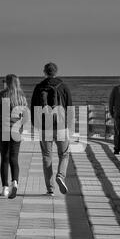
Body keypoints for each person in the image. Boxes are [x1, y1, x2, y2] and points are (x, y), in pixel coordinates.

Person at [30, 62, 73, 196]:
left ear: (44, 72)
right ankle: (60, 175)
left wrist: (35, 124)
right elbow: (70, 107)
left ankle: (50, 189)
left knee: (47, 157)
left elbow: (33, 108)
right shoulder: (64, 87)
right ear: (56, 71)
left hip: (45, 127)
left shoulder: (39, 87)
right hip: (61, 126)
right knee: (64, 154)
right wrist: (69, 125)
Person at [0, 74, 28, 199]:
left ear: (7, 83)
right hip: (16, 130)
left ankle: (5, 188)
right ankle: (15, 182)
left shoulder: (1, 95)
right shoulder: (22, 97)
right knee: (14, 158)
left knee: (4, 158)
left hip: (2, 130)